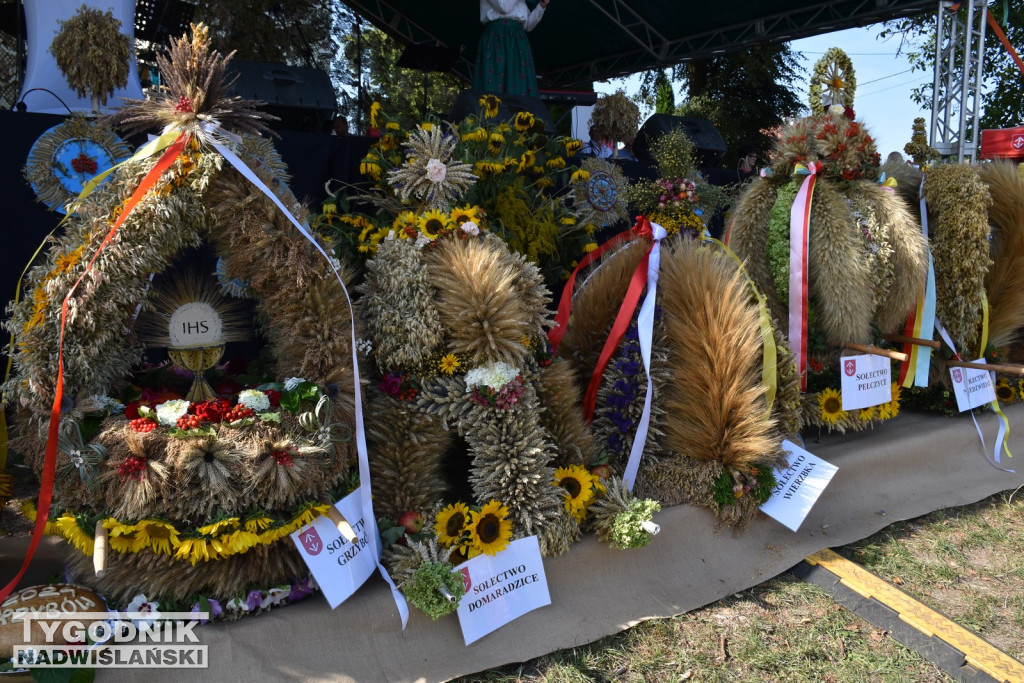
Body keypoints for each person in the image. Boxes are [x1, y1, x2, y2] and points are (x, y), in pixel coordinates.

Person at [473, 0, 551, 97]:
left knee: (519, 85)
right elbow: (504, 8)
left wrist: (541, 6)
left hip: (517, 39)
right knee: (492, 87)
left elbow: (527, 25)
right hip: (497, 38)